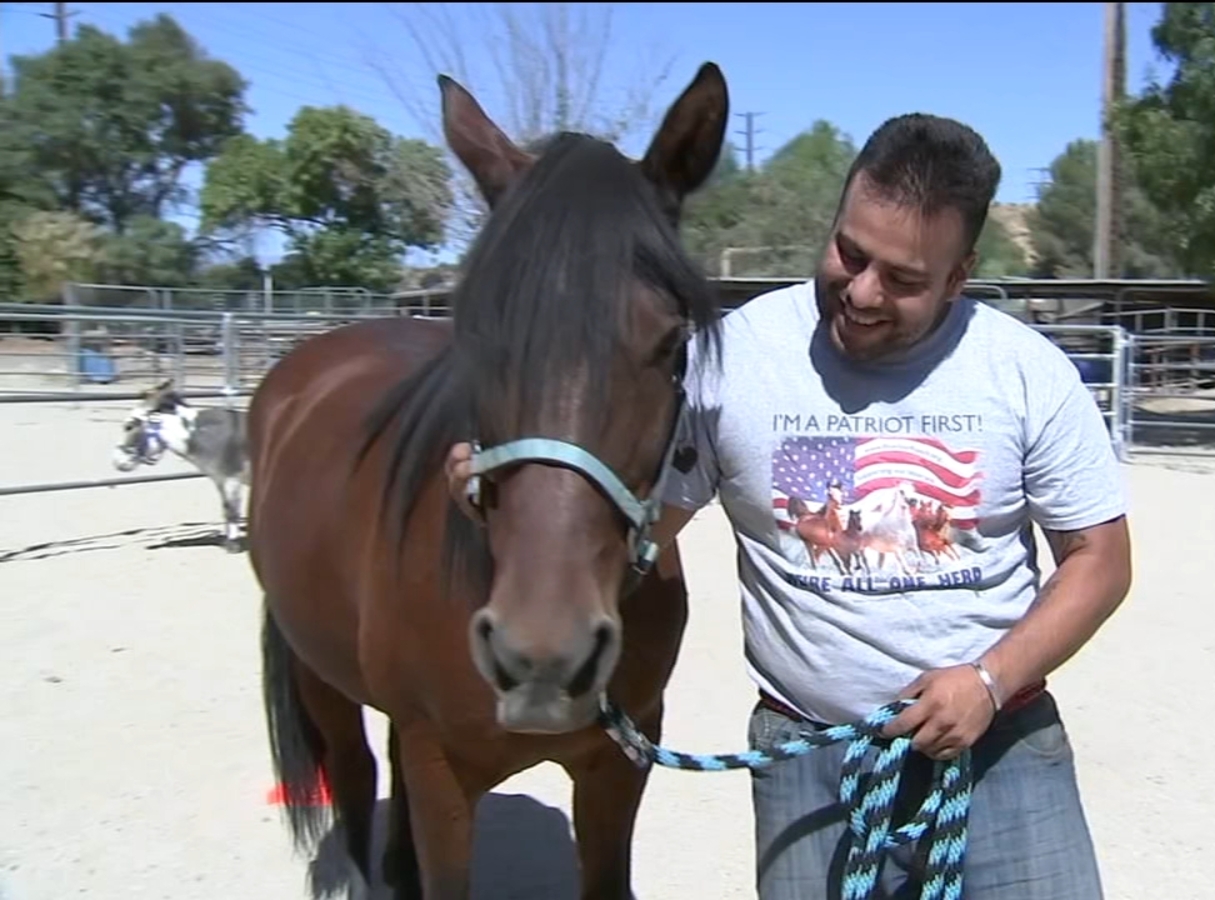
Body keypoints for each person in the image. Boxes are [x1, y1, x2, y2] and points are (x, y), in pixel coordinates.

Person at [445, 112, 1132, 899]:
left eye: (905, 279)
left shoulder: (1025, 372)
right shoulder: (731, 361)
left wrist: (987, 679)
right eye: (850, 252)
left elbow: (1101, 560)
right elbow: (638, 533)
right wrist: (508, 501)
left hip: (1000, 743)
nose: (864, 293)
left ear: (959, 274)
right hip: (808, 757)